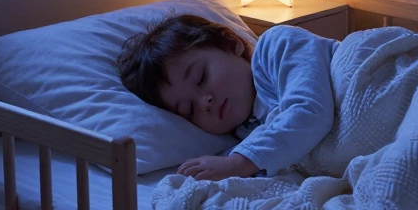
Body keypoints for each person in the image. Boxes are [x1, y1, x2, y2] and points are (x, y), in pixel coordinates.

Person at [117, 14, 337, 181]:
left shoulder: (276, 47)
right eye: (189, 110)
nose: (204, 103)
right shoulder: (247, 133)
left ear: (231, 43)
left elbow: (309, 110)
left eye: (201, 78)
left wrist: (237, 164)